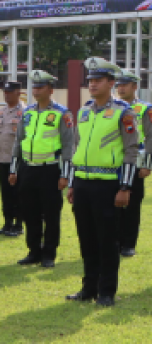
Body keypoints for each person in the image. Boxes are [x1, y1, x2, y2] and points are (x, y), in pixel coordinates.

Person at [66, 57, 138, 307]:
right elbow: (78, 147)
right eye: (91, 80)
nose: (92, 84)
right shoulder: (84, 111)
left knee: (107, 241)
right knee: (86, 238)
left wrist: (125, 186)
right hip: (84, 183)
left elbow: (131, 152)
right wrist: (73, 183)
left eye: (98, 80)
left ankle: (106, 291)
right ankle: (88, 288)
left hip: (108, 186)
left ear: (111, 82)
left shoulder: (123, 112)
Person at [9, 70, 73, 268]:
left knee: (51, 214)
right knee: (30, 212)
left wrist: (65, 175)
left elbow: (68, 146)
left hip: (50, 170)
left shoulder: (62, 113)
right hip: (28, 169)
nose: (36, 90)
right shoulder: (27, 112)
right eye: (34, 87)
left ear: (50, 89)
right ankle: (34, 251)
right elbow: (18, 142)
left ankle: (49, 254)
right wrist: (13, 169)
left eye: (40, 86)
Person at [115, 68, 152, 257]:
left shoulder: (144, 108)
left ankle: (128, 243)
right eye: (118, 84)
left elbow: (150, 137)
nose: (120, 88)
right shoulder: (112, 107)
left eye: (125, 85)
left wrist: (147, 164)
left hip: (136, 164)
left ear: (135, 86)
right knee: (113, 204)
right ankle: (116, 241)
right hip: (113, 164)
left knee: (132, 204)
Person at [0, 81, 25, 237]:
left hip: (18, 161)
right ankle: (7, 223)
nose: (7, 94)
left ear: (18, 93)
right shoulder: (1, 112)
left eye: (10, 92)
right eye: (5, 92)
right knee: (5, 193)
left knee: (18, 193)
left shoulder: (25, 112)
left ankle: (18, 225)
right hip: (4, 159)